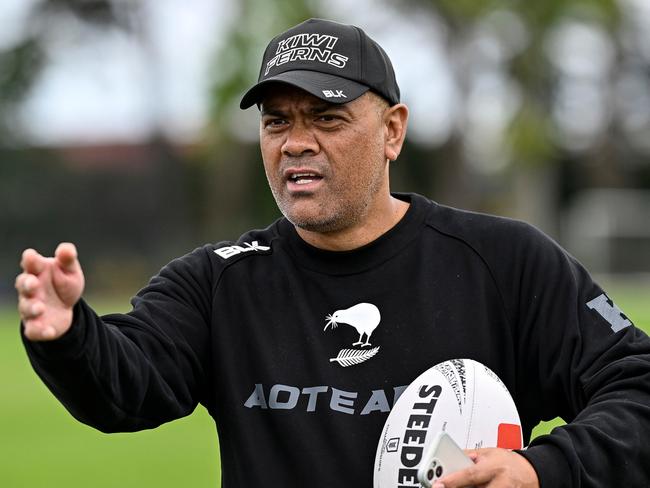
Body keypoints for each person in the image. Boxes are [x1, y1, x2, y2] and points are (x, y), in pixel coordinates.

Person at [15, 18, 650, 488]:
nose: (296, 143)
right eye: (277, 121)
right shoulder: (219, 281)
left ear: (393, 131)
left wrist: (543, 471)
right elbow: (126, 385)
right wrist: (69, 334)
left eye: (327, 117)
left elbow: (637, 388)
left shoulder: (505, 262)